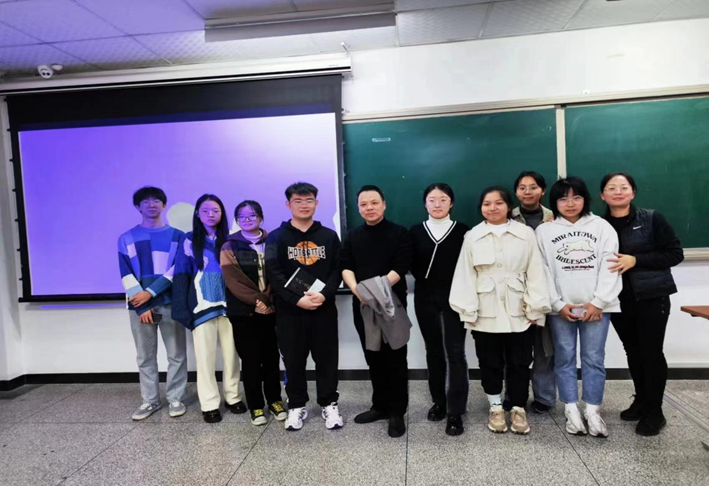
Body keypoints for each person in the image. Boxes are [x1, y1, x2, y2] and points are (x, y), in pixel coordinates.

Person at [450, 186, 550, 435]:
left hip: (520, 308)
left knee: (520, 361)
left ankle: (518, 407)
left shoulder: (525, 233)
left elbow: (536, 271)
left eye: (498, 203)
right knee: (489, 361)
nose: (492, 208)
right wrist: (468, 310)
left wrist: (535, 307)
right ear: (481, 208)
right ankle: (495, 405)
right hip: (485, 309)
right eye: (487, 204)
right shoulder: (473, 236)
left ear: (508, 206)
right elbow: (464, 274)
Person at [536, 177, 622, 438]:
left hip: (598, 307)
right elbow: (542, 271)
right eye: (563, 199)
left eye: (576, 197)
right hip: (561, 308)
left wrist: (598, 302)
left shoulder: (602, 227)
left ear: (586, 199)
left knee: (593, 358)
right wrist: (558, 304)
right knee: (564, 358)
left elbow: (611, 266)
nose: (570, 203)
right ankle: (571, 409)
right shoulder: (544, 231)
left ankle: (593, 410)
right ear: (554, 202)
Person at [600, 172, 684, 436]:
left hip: (651, 296)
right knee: (633, 351)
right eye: (611, 188)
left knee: (651, 352)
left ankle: (655, 411)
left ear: (633, 192)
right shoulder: (599, 225)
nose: (618, 192)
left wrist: (636, 260)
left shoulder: (652, 218)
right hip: (618, 299)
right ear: (602, 195)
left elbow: (675, 254)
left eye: (623, 187)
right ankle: (641, 400)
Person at [265, 182, 343, 431]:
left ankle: (329, 403)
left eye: (309, 200)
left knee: (327, 359)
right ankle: (297, 405)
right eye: (298, 201)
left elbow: (337, 270)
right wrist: (296, 299)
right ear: (288, 204)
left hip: (323, 309)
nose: (304, 205)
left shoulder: (329, 236)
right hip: (290, 312)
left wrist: (324, 295)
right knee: (293, 360)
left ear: (316, 203)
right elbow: (273, 272)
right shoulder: (276, 237)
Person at [342, 185, 413, 438]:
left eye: (374, 202)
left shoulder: (400, 233)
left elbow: (400, 268)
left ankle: (397, 412)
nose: (369, 208)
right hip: (362, 304)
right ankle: (380, 406)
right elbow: (346, 266)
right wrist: (357, 291)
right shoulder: (352, 236)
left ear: (383, 204)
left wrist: (372, 291)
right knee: (373, 356)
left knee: (396, 358)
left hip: (392, 304)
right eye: (363, 204)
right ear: (359, 208)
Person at [172, 194, 246, 423]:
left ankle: (233, 397)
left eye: (215, 210)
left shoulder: (231, 240)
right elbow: (181, 275)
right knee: (205, 359)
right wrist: (182, 308)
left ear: (222, 213)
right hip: (201, 307)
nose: (211, 215)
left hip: (230, 306)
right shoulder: (189, 240)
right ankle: (209, 403)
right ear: (197, 213)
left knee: (232, 356)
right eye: (205, 211)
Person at [118, 186, 188, 421]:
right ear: (137, 206)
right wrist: (142, 305)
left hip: (170, 303)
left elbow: (177, 270)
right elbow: (126, 274)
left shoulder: (178, 236)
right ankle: (150, 400)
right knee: (145, 356)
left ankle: (176, 398)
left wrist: (150, 292)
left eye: (157, 200)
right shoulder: (126, 238)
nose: (151, 204)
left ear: (164, 205)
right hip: (140, 308)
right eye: (146, 201)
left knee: (177, 354)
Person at [409, 183, 470, 436]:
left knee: (455, 352)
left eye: (443, 199)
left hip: (455, 297)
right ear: (425, 203)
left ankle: (456, 410)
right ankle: (439, 402)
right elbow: (410, 264)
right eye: (432, 199)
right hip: (424, 297)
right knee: (433, 351)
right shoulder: (415, 232)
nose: (437, 204)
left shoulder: (464, 231)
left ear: (451, 203)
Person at [220, 200, 287, 427]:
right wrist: (257, 302)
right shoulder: (229, 245)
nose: (247, 220)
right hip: (244, 313)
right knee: (250, 361)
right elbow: (234, 280)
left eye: (252, 215)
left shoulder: (273, 241)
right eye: (242, 216)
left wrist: (267, 301)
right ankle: (256, 406)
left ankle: (275, 401)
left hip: (272, 310)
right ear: (237, 220)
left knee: (271, 359)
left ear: (261, 217)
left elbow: (278, 274)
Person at [511, 171, 556, 414]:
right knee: (514, 349)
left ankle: (544, 397)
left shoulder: (556, 217)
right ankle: (513, 396)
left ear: (543, 190)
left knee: (545, 348)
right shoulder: (506, 216)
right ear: (516, 192)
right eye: (522, 187)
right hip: (515, 292)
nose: (527, 192)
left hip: (548, 291)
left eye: (533, 187)